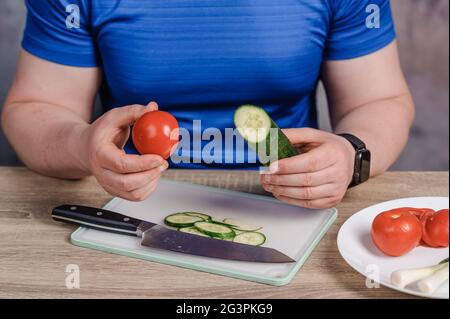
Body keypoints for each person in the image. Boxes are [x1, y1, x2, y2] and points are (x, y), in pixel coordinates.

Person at [1, 0, 414, 209]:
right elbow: (36, 105)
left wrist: (350, 153)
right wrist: (82, 146)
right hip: (130, 204)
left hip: (289, 203)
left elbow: (381, 100)